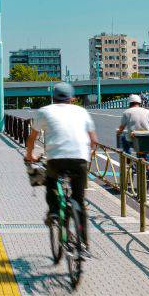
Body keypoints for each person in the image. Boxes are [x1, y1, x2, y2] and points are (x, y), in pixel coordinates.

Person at [24, 82, 98, 248]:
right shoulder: (82, 111)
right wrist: (88, 157)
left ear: (53, 97)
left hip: (55, 159)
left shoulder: (45, 111)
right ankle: (84, 244)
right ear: (72, 98)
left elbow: (32, 138)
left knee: (51, 182)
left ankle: (55, 212)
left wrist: (29, 156)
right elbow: (94, 140)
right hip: (80, 159)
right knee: (79, 200)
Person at [117, 94, 149, 182]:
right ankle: (148, 167)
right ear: (139, 103)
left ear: (130, 103)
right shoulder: (147, 111)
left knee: (123, 139)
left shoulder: (127, 112)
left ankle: (129, 159)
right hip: (147, 138)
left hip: (134, 139)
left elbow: (122, 127)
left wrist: (119, 131)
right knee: (146, 147)